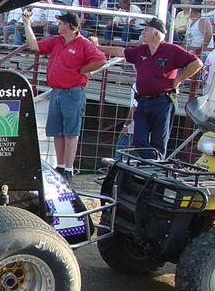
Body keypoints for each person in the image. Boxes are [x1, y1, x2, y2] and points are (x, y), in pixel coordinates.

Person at [91, 18, 202, 159]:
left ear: (156, 34)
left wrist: (179, 80)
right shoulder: (141, 50)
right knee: (139, 140)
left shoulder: (172, 50)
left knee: (158, 141)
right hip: (143, 101)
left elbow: (196, 63)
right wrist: (98, 47)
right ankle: (153, 162)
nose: (143, 32)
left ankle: (153, 166)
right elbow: (120, 51)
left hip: (163, 100)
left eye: (146, 29)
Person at [23, 10, 106, 179]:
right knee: (57, 131)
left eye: (61, 23)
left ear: (68, 26)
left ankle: (68, 167)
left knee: (70, 131)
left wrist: (83, 70)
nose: (58, 25)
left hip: (72, 91)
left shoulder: (82, 43)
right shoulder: (58, 41)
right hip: (58, 91)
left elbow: (101, 59)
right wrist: (27, 24)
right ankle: (61, 166)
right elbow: (35, 46)